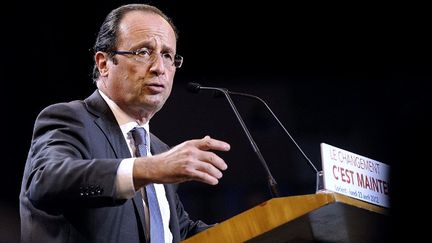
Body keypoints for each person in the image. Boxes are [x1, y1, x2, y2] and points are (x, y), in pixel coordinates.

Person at [19, 3, 230, 243]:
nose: (159, 68)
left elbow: (176, 234)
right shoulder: (70, 119)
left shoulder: (158, 150)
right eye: (143, 52)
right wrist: (150, 168)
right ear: (103, 63)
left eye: (167, 55)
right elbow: (45, 181)